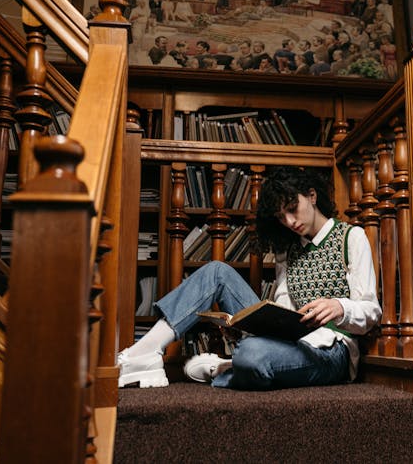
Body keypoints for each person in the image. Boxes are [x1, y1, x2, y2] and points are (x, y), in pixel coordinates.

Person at [117, 166, 382, 390]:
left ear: (312, 196)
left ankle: (224, 367)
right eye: (282, 217)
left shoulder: (351, 237)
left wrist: (339, 307)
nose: (290, 221)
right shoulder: (287, 249)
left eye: (293, 208)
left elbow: (371, 312)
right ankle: (146, 353)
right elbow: (285, 307)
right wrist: (254, 320)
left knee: (252, 354)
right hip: (290, 340)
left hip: (332, 350)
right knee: (217, 272)